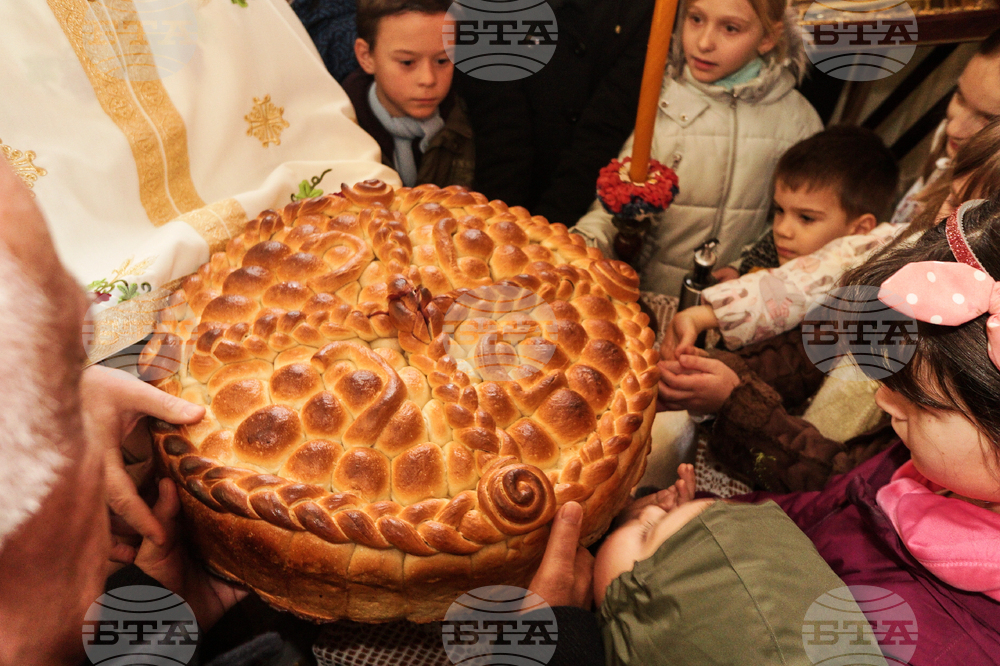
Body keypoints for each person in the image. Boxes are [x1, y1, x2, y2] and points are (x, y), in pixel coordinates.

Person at [682, 28, 1000, 353]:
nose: (954, 125)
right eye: (960, 96)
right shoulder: (950, 150)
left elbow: (846, 267)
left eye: (987, 118)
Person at [573, 0, 822, 297]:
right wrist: (582, 245)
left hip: (738, 304)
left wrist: (745, 268)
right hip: (648, 299)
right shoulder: (656, 104)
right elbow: (616, 206)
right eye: (696, 19)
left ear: (768, 38)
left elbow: (805, 223)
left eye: (730, 28)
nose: (704, 43)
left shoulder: (799, 121)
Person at [664, 125, 898, 352]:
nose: (782, 229)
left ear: (859, 229)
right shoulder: (781, 245)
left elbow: (795, 291)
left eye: (806, 218)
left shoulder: (847, 301)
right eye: (779, 210)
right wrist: (738, 269)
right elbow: (759, 263)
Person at [456, 0, 656, 226]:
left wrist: (552, 227)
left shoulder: (641, 10)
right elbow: (498, 126)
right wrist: (500, 225)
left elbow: (604, 129)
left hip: (579, 196)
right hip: (497, 186)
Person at [342, 0, 474, 188]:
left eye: (442, 60)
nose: (428, 79)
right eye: (407, 62)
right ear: (366, 56)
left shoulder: (476, 117)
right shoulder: (336, 130)